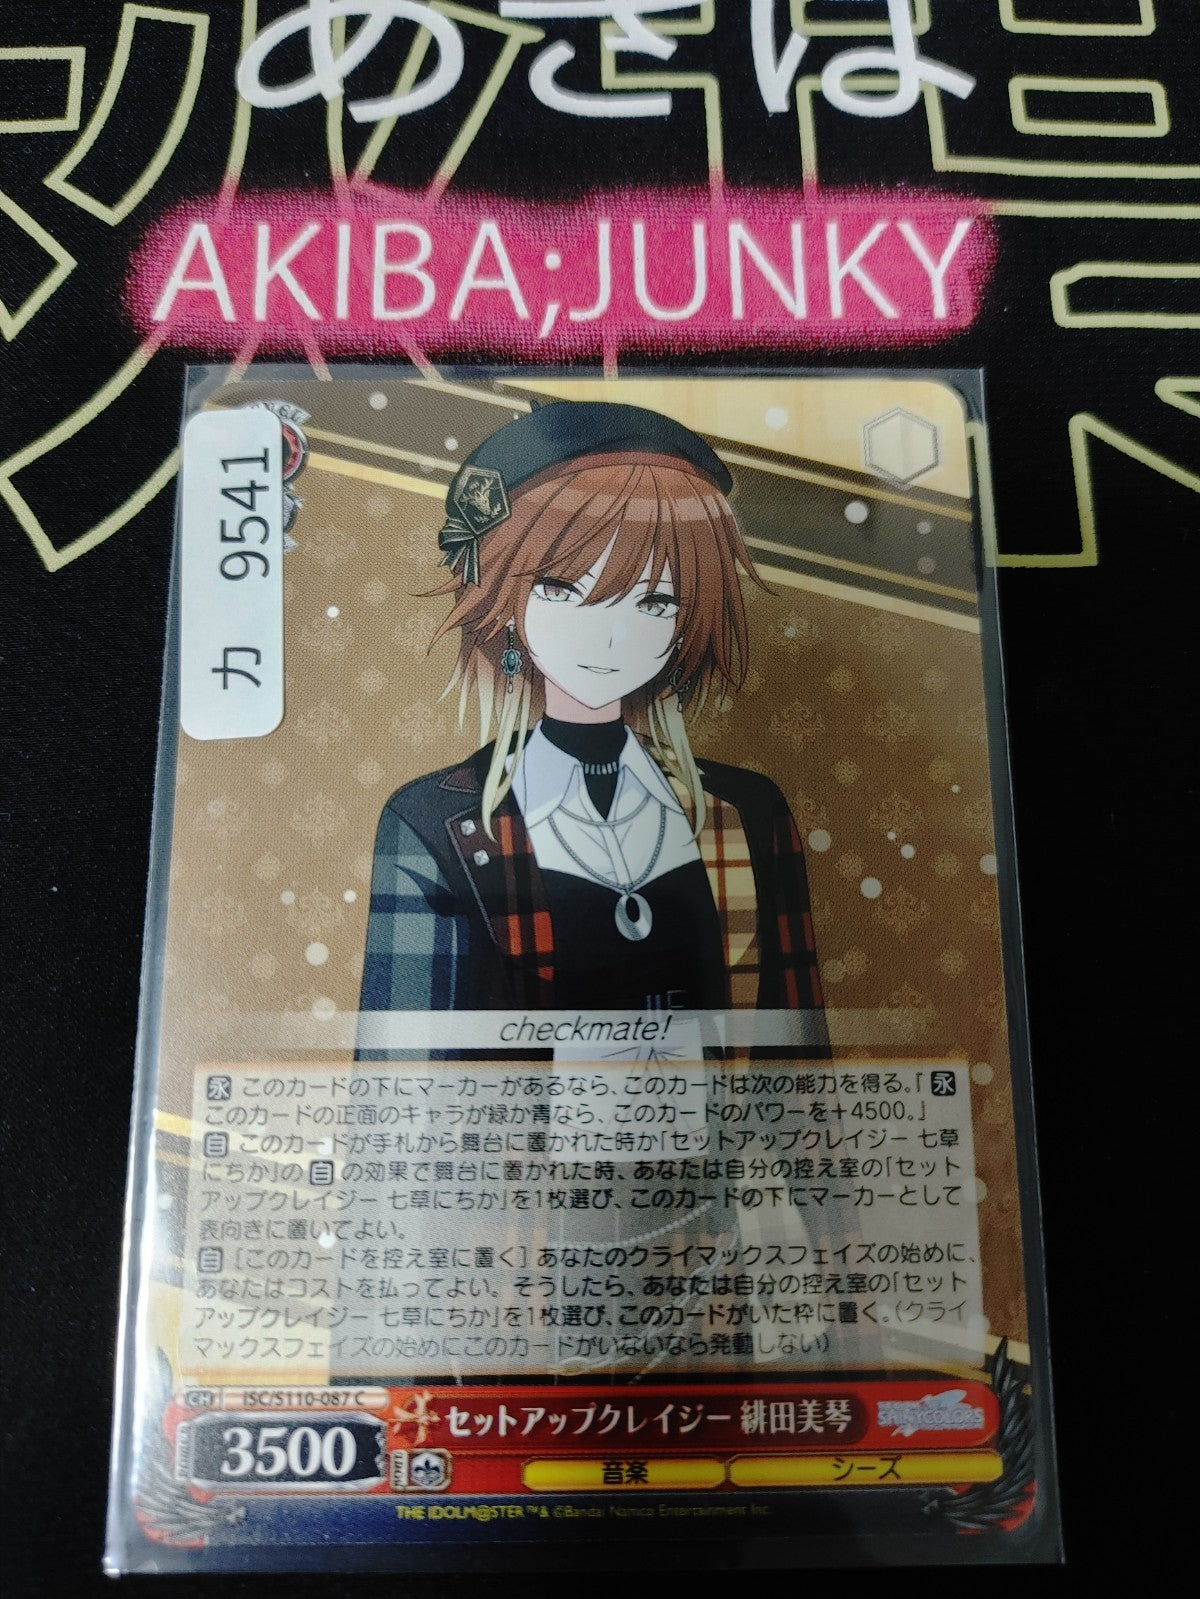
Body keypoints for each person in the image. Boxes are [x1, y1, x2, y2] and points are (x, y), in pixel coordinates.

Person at [357, 399, 826, 1057]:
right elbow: (402, 1088)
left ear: (689, 619)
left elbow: (797, 1069)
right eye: (561, 589)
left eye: (655, 601)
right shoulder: (435, 823)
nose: (609, 634)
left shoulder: (746, 812)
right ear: (506, 602)